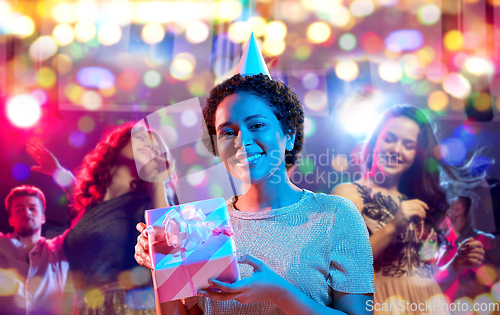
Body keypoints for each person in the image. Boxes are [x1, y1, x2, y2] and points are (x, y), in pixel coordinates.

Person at [134, 34, 375, 315]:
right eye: (227, 131)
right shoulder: (202, 227)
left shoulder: (335, 215)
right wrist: (161, 265)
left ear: (290, 135)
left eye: (257, 125)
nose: (241, 141)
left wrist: (279, 293)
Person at [332, 105, 486, 314]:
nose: (396, 149)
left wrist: (457, 264)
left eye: (408, 145)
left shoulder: (419, 201)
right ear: (376, 140)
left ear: (417, 154)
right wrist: (393, 227)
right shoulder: (348, 193)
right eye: (389, 138)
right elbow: (344, 268)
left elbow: (427, 281)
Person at [28, 122, 176, 314]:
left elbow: (170, 251)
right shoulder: (91, 208)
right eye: (141, 139)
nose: (148, 146)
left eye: (155, 148)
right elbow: (79, 194)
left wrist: (157, 184)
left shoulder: (149, 200)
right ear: (118, 144)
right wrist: (56, 171)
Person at [0, 185, 70, 315]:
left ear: (43, 218)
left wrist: (61, 176)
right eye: (19, 209)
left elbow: (90, 213)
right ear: (10, 220)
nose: (26, 213)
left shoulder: (59, 248)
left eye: (32, 208)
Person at [437, 190, 500, 302]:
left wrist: (455, 236)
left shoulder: (487, 241)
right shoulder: (439, 250)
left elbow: (496, 283)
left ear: (457, 209)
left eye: (440, 207)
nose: (436, 213)